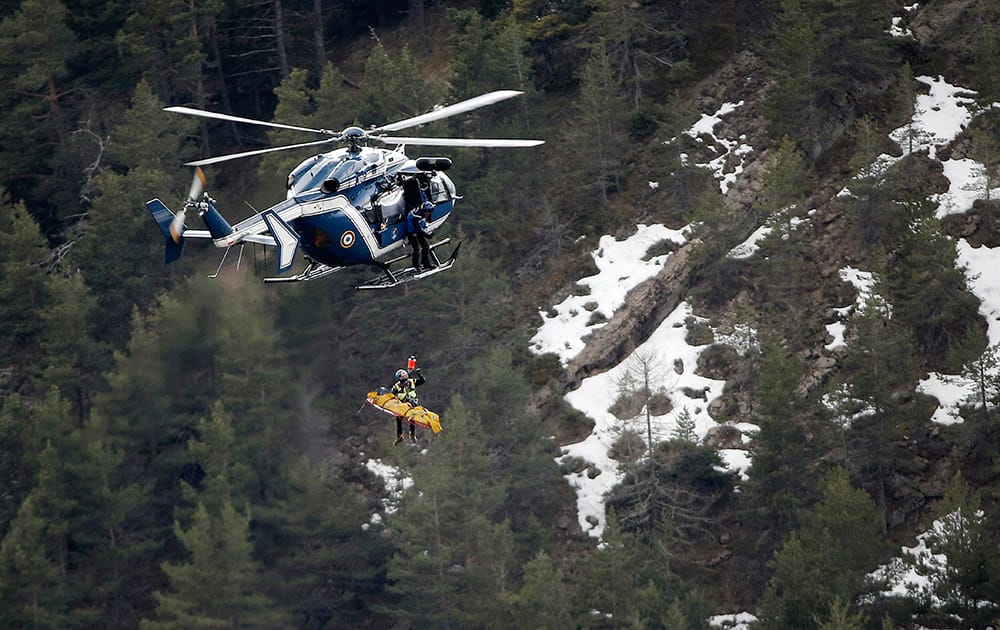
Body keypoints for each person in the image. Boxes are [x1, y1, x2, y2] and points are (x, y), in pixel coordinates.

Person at [391, 367, 426, 444]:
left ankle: (412, 434)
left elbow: (423, 381)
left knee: (412, 417)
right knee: (398, 418)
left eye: (405, 375)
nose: (405, 377)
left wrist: (419, 374)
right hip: (402, 404)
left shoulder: (411, 382)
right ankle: (399, 436)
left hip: (412, 403)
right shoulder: (397, 386)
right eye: (403, 376)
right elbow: (391, 395)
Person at [406, 201, 436, 271]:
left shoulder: (421, 211)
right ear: (424, 210)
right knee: (417, 249)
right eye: (428, 212)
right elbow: (418, 229)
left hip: (417, 232)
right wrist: (428, 236)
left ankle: (426, 263)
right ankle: (416, 266)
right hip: (412, 233)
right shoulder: (416, 216)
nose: (428, 213)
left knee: (426, 247)